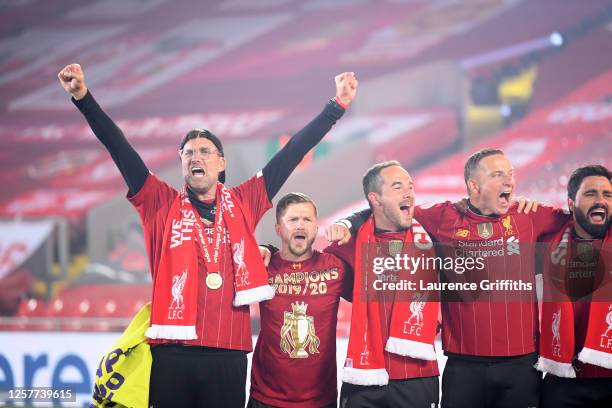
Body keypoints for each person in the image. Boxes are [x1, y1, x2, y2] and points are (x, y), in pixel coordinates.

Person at [57, 63, 357, 408]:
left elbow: (290, 155)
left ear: (221, 163)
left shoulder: (245, 201)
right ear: (181, 163)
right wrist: (83, 98)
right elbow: (119, 148)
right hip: (172, 352)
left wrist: (335, 107)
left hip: (228, 354)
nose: (195, 157)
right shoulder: (159, 203)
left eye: (204, 151)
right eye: (188, 153)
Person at [328, 149, 570, 408]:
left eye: (510, 174)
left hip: (521, 366)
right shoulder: (443, 217)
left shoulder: (530, 215)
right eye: (498, 175)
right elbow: (383, 211)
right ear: (474, 185)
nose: (509, 181)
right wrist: (347, 223)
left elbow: (580, 221)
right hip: (463, 367)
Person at [326, 161, 441, 408]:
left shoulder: (433, 233)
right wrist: (267, 249)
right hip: (363, 375)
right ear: (375, 199)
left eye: (410, 186)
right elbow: (314, 269)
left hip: (418, 376)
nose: (408, 192)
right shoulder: (350, 244)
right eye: (397, 186)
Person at [249, 192, 351, 408]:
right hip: (266, 399)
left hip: (321, 400)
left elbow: (378, 286)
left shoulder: (335, 267)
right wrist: (264, 248)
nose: (300, 226)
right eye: (293, 219)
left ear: (316, 227)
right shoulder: (262, 266)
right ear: (278, 229)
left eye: (307, 220)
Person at [537, 165, 612, 408]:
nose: (601, 200)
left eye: (608, 195)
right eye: (591, 194)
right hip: (565, 378)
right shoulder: (548, 240)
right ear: (571, 203)